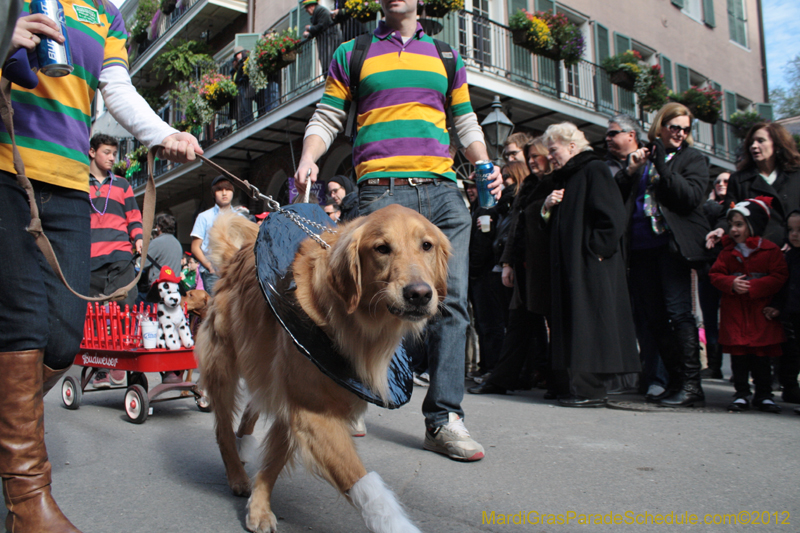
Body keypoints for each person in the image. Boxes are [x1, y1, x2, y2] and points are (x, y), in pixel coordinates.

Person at [0, 6, 201, 531]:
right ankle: (27, 502)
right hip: (8, 166)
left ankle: (7, 425)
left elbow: (116, 87)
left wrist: (162, 133)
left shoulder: (106, 14)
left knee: (65, 338)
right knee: (20, 324)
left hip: (70, 188)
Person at [293, 0, 502, 462]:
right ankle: (354, 393)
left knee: (449, 301)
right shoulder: (354, 50)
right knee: (358, 298)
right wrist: (310, 156)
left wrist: (483, 162)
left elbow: (464, 119)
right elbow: (328, 116)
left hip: (444, 195)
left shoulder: (447, 56)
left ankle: (444, 418)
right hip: (379, 194)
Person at [539, 122, 640, 407]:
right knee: (573, 323)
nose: (551, 156)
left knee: (587, 325)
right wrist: (546, 209)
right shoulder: (568, 176)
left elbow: (611, 216)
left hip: (588, 265)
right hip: (571, 265)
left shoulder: (593, 169)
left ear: (571, 145)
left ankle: (589, 389)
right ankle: (569, 385)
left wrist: (595, 251)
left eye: (554, 149)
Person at [617, 103, 711, 408]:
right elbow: (621, 196)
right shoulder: (644, 159)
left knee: (679, 313)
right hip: (642, 248)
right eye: (675, 127)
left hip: (672, 248)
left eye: (685, 129)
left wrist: (664, 164)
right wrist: (631, 170)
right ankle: (675, 381)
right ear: (661, 126)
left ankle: (692, 386)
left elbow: (689, 197)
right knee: (655, 318)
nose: (680, 134)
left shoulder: (692, 158)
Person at [706, 122, 800, 403]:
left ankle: (788, 381)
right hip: (755, 258)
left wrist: (792, 238)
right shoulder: (741, 178)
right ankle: (760, 386)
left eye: (760, 141)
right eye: (751, 143)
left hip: (792, 254)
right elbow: (731, 212)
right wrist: (721, 229)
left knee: (790, 319)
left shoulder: (796, 174)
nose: (754, 147)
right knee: (762, 322)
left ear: (777, 143)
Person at [469, 137, 559, 396]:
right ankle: (506, 378)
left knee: (539, 324)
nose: (531, 161)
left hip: (542, 263)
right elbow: (518, 228)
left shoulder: (551, 184)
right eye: (528, 157)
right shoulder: (530, 186)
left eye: (536, 156)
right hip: (521, 265)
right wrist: (507, 262)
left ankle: (549, 377)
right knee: (519, 324)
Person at [709, 198, 787, 412]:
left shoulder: (771, 251)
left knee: (762, 358)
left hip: (760, 314)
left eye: (739, 224)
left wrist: (754, 287)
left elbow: (779, 276)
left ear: (753, 225)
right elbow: (715, 275)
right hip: (736, 314)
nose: (733, 229)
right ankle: (741, 393)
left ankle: (764, 394)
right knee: (739, 358)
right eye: (731, 225)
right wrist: (730, 283)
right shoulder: (727, 253)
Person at [88, 134, 142, 310]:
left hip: (121, 254)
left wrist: (139, 238)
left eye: (114, 153)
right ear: (92, 152)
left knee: (125, 305)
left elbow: (133, 216)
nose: (112, 158)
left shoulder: (122, 184)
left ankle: (123, 338)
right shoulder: (78, 184)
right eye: (107, 152)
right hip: (90, 255)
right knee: (90, 312)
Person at [699, 171, 730, 380]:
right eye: (717, 181)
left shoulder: (735, 205)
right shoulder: (707, 205)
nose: (720, 184)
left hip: (730, 269)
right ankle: (714, 365)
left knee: (732, 316)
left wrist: (711, 205)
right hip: (708, 268)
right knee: (710, 318)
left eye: (725, 181)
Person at [190, 176, 235, 295]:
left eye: (228, 189)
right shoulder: (204, 217)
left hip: (234, 271)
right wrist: (209, 266)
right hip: (213, 272)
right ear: (214, 193)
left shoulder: (240, 217)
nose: (224, 193)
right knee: (217, 308)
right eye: (219, 190)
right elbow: (195, 247)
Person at [301, 0, 338, 77]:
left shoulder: (321, 11)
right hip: (326, 40)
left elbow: (321, 26)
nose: (306, 11)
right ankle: (327, 74)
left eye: (306, 8)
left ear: (311, 6)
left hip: (330, 39)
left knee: (329, 58)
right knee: (326, 59)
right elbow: (318, 29)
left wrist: (310, 28)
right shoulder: (318, 12)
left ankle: (330, 74)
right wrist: (309, 34)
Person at [231, 46, 254, 126]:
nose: (236, 59)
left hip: (246, 88)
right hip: (240, 90)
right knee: (242, 109)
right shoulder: (235, 70)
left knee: (246, 107)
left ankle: (249, 122)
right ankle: (243, 123)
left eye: (237, 55)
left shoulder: (245, 62)